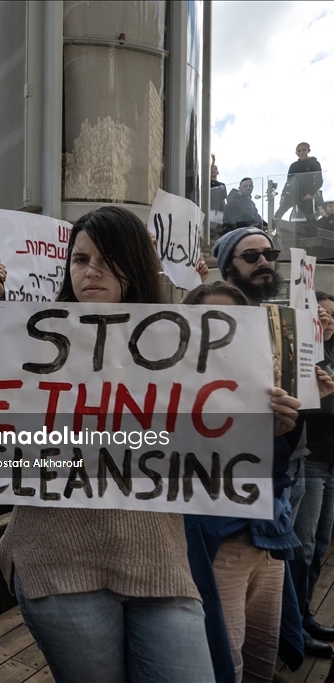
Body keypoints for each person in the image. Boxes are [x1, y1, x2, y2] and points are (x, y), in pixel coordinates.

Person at [0, 206, 274, 682]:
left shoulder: (179, 348)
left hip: (159, 563)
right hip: (58, 562)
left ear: (135, 266)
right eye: (80, 259)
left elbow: (210, 448)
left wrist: (271, 423)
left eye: (107, 258)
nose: (90, 271)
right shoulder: (19, 343)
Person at [181, 281, 307, 682]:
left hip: (267, 535)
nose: (218, 331)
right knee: (226, 658)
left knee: (261, 655)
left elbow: (274, 466)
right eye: (206, 321)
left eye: (231, 321)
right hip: (217, 544)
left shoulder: (263, 387)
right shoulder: (171, 392)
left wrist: (282, 429)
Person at [289, 291, 334, 659]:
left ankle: (303, 616)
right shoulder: (308, 356)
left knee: (318, 545)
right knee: (301, 550)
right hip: (313, 459)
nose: (330, 320)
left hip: (329, 462)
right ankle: (294, 627)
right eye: (324, 314)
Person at [211, 226, 282, 305]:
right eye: (251, 255)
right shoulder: (212, 309)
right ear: (228, 265)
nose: (264, 262)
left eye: (269, 254)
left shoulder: (273, 314)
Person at [274, 142, 323, 229]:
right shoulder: (293, 166)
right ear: (296, 153)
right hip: (292, 194)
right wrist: (283, 195)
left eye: (304, 150)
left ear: (309, 150)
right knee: (279, 213)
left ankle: (314, 236)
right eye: (299, 151)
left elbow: (319, 181)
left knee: (310, 217)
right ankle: (270, 230)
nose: (301, 152)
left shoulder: (314, 163)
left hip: (305, 194)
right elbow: (288, 182)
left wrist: (310, 193)